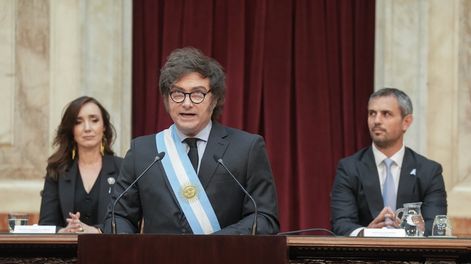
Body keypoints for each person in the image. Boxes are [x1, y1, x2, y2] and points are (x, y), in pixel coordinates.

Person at [103, 47, 279, 234]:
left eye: (197, 94)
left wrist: (213, 246)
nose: (187, 103)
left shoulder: (247, 148)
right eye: (178, 93)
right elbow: (118, 216)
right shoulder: (143, 152)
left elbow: (264, 218)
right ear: (166, 99)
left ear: (214, 99)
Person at [330, 88, 447, 236]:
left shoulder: (429, 172)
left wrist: (406, 232)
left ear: (406, 122)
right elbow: (341, 224)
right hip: (364, 256)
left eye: (386, 114)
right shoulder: (349, 168)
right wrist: (367, 233)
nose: (376, 120)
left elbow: (436, 227)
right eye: (372, 113)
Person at [39, 96, 122, 233]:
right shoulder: (57, 170)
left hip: (110, 251)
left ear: (104, 126)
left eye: (94, 120)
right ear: (71, 130)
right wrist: (64, 231)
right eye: (78, 122)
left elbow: (129, 223)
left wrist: (97, 231)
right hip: (66, 252)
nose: (87, 128)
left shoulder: (122, 168)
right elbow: (46, 224)